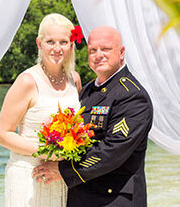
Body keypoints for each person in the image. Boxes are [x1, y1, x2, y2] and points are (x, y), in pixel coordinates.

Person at [33, 26, 153, 207]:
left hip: (113, 198)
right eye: (92, 50)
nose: (98, 55)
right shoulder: (88, 90)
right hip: (81, 195)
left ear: (121, 52)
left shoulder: (132, 96)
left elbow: (113, 150)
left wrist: (64, 171)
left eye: (105, 49)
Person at [0, 13, 82, 206]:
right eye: (50, 41)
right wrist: (48, 153)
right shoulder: (27, 81)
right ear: (39, 43)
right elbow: (2, 134)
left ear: (71, 45)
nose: (57, 48)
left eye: (63, 42)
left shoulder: (74, 79)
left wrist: (63, 161)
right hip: (28, 174)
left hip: (59, 175)